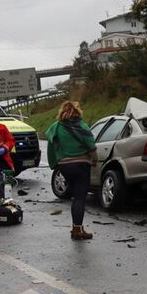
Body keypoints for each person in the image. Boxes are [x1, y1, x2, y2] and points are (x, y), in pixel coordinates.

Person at [45, 101, 97, 241]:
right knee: (80, 198)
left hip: (65, 166)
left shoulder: (55, 127)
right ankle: (77, 230)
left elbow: (51, 145)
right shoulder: (82, 126)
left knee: (75, 197)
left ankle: (76, 228)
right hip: (81, 164)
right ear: (77, 111)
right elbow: (91, 146)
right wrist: (94, 160)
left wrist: (54, 163)